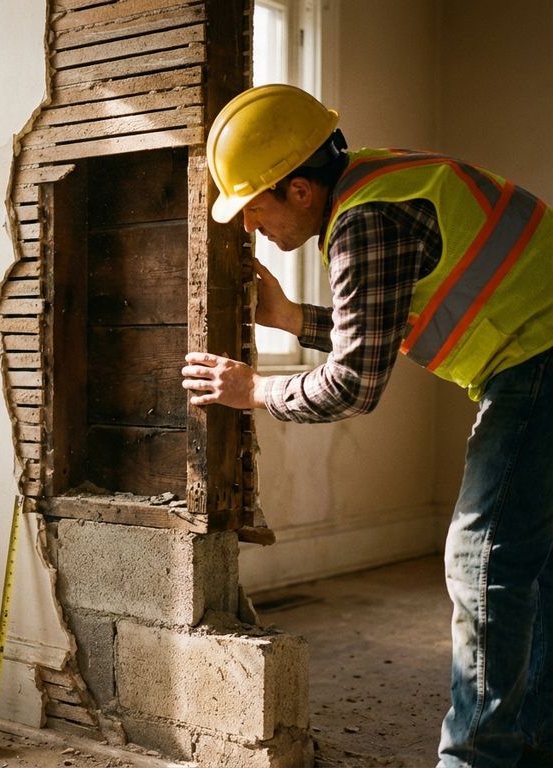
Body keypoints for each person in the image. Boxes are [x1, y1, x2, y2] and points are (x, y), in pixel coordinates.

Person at [181, 83, 553, 768]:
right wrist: (293, 319)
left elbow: (354, 384)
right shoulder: (380, 183)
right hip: (537, 358)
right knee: (535, 567)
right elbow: (382, 330)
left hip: (539, 364)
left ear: (297, 190)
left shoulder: (365, 220)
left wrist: (252, 389)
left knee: (485, 562)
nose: (249, 227)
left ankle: (479, 759)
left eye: (253, 208)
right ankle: (530, 740)